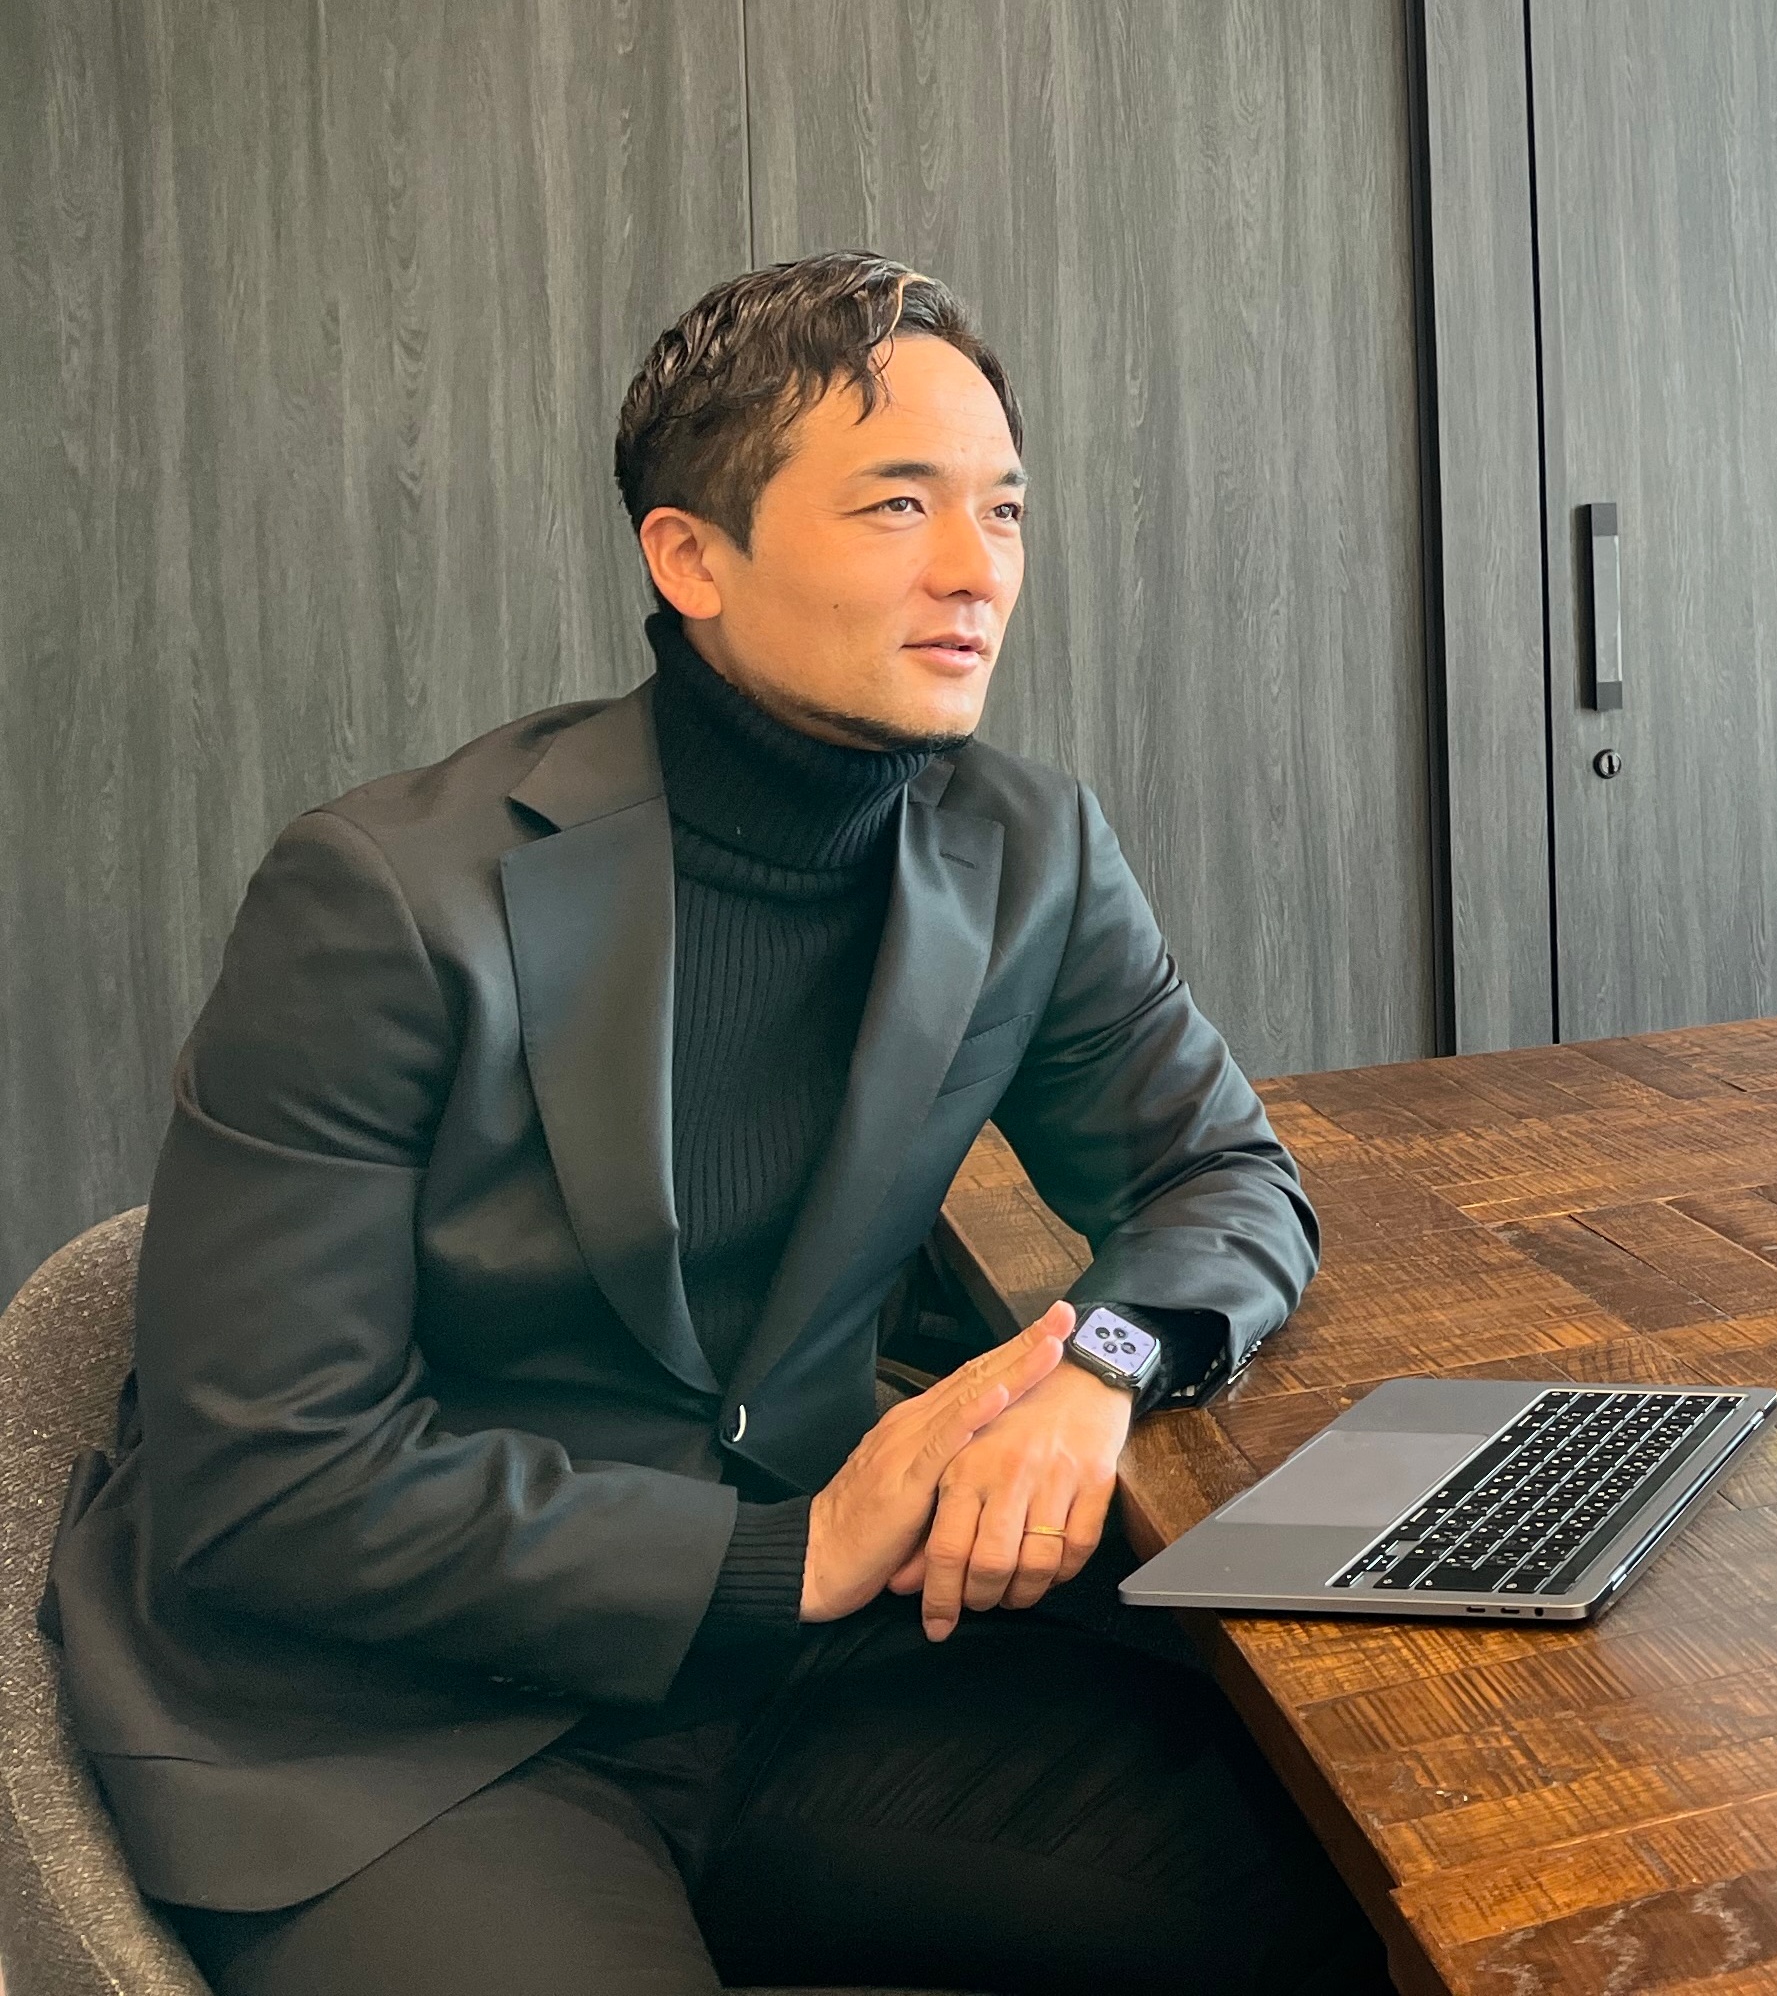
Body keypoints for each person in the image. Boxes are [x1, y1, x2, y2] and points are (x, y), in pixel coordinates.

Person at [52, 255, 1385, 1993]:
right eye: (899, 505)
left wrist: (1101, 1363)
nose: (978, 569)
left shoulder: (1027, 849)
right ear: (690, 558)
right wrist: (789, 1550)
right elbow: (268, 1483)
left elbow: (1217, 1173)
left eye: (1003, 508)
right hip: (400, 1729)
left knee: (1385, 1890)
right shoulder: (386, 898)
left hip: (801, 1680)